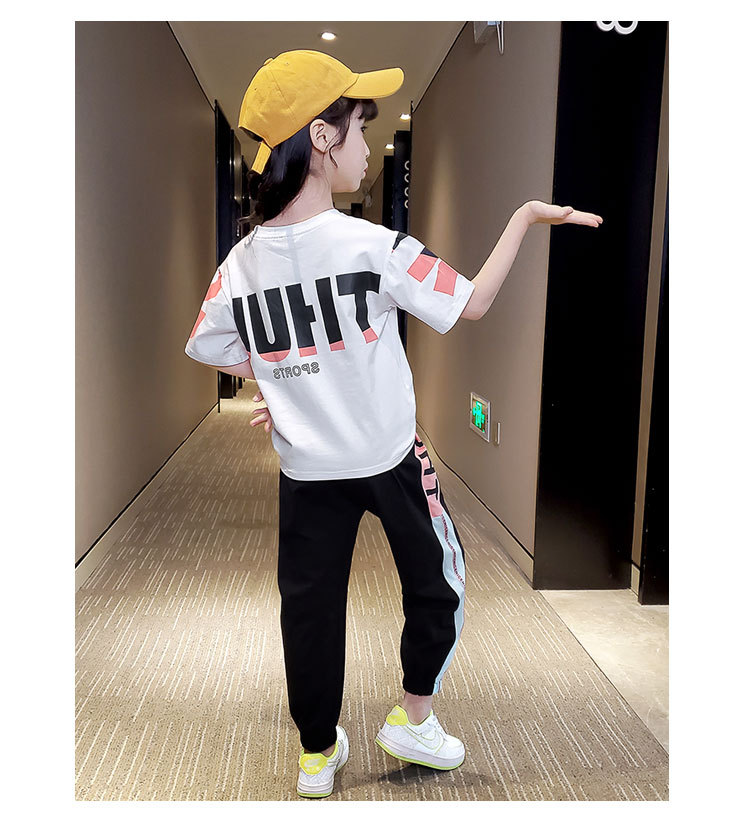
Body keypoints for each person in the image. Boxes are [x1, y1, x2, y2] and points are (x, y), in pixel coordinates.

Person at [184, 49, 603, 799]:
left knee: (309, 609)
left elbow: (207, 345)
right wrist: (524, 218)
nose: (366, 143)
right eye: (358, 126)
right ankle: (413, 717)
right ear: (321, 138)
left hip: (307, 471)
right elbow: (472, 303)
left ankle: (317, 754)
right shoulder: (373, 245)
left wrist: (279, 375)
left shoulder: (239, 265)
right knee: (439, 579)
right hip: (390, 457)